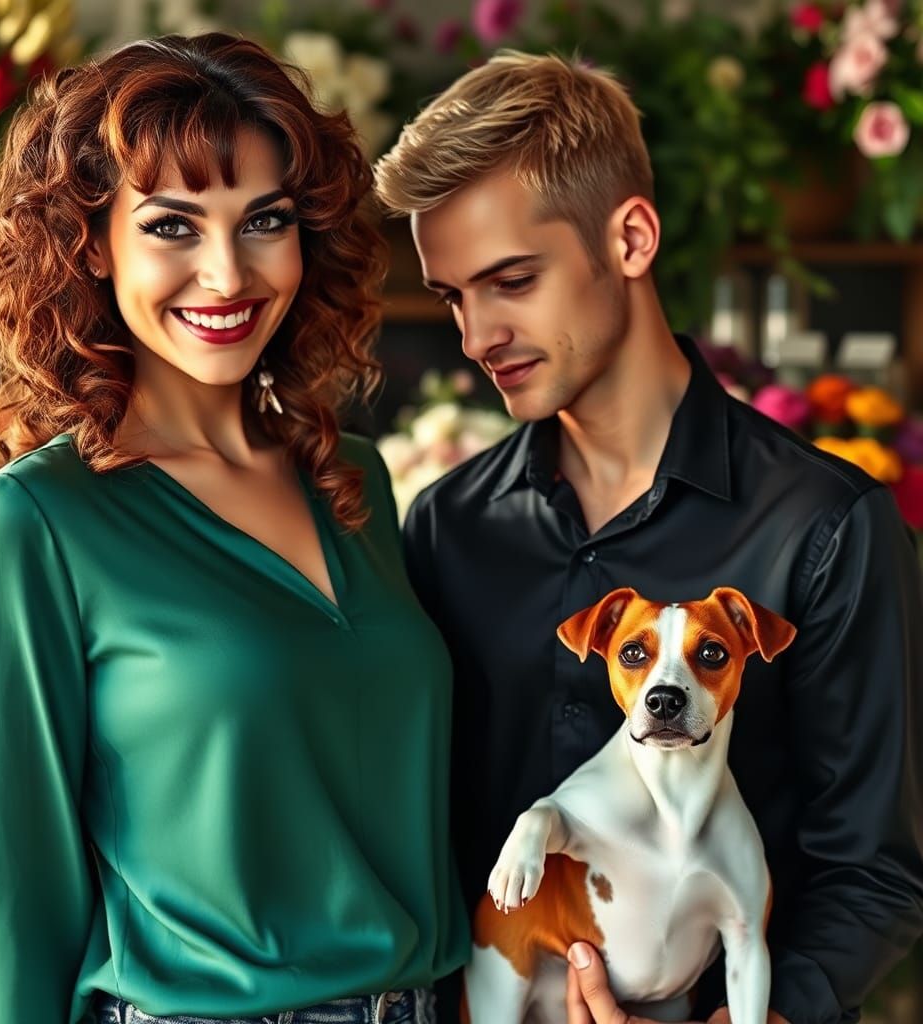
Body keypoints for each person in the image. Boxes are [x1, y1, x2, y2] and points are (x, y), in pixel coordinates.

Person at [373, 50, 923, 1024]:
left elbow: (872, 871)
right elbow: (426, 829)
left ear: (629, 238)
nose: (474, 334)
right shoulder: (447, 525)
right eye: (454, 295)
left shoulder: (827, 526)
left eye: (511, 280)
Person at [0, 32, 469, 1024]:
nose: (227, 274)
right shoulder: (38, 520)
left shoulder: (351, 481)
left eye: (263, 220)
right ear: (92, 244)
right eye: (174, 227)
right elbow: (21, 884)